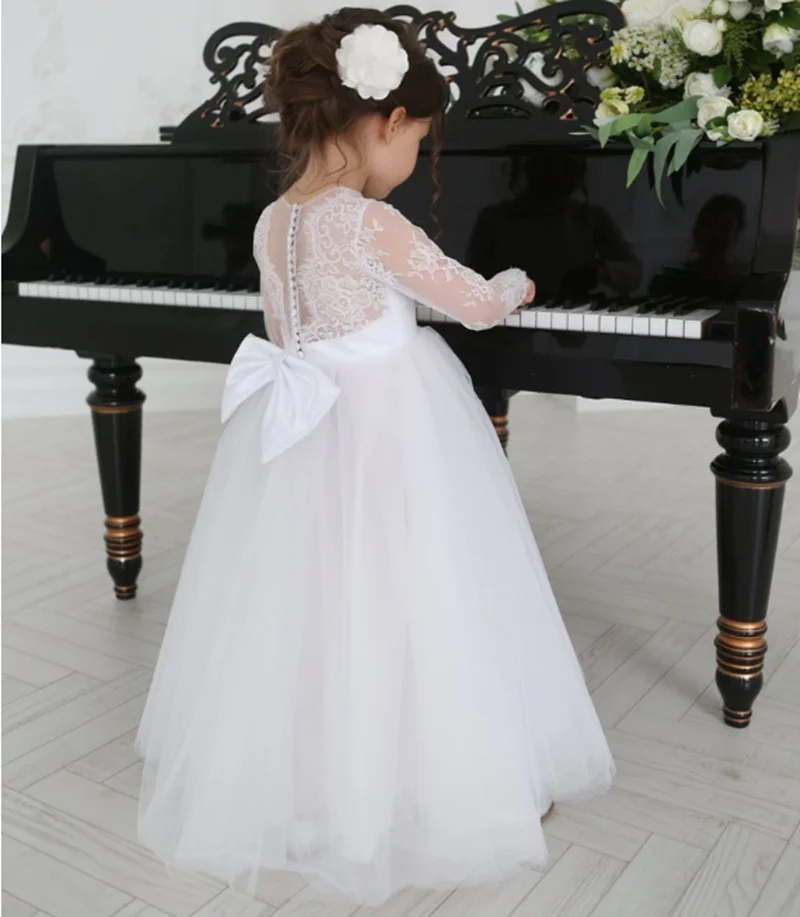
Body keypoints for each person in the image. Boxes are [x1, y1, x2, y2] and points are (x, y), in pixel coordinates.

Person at [136, 7, 614, 906]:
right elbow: (471, 304)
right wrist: (518, 281)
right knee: (415, 583)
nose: (415, 164)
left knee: (320, 595)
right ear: (388, 123)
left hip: (305, 429)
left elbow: (299, 325)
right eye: (421, 145)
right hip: (390, 425)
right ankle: (426, 779)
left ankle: (311, 778)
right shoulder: (366, 224)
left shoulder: (274, 219)